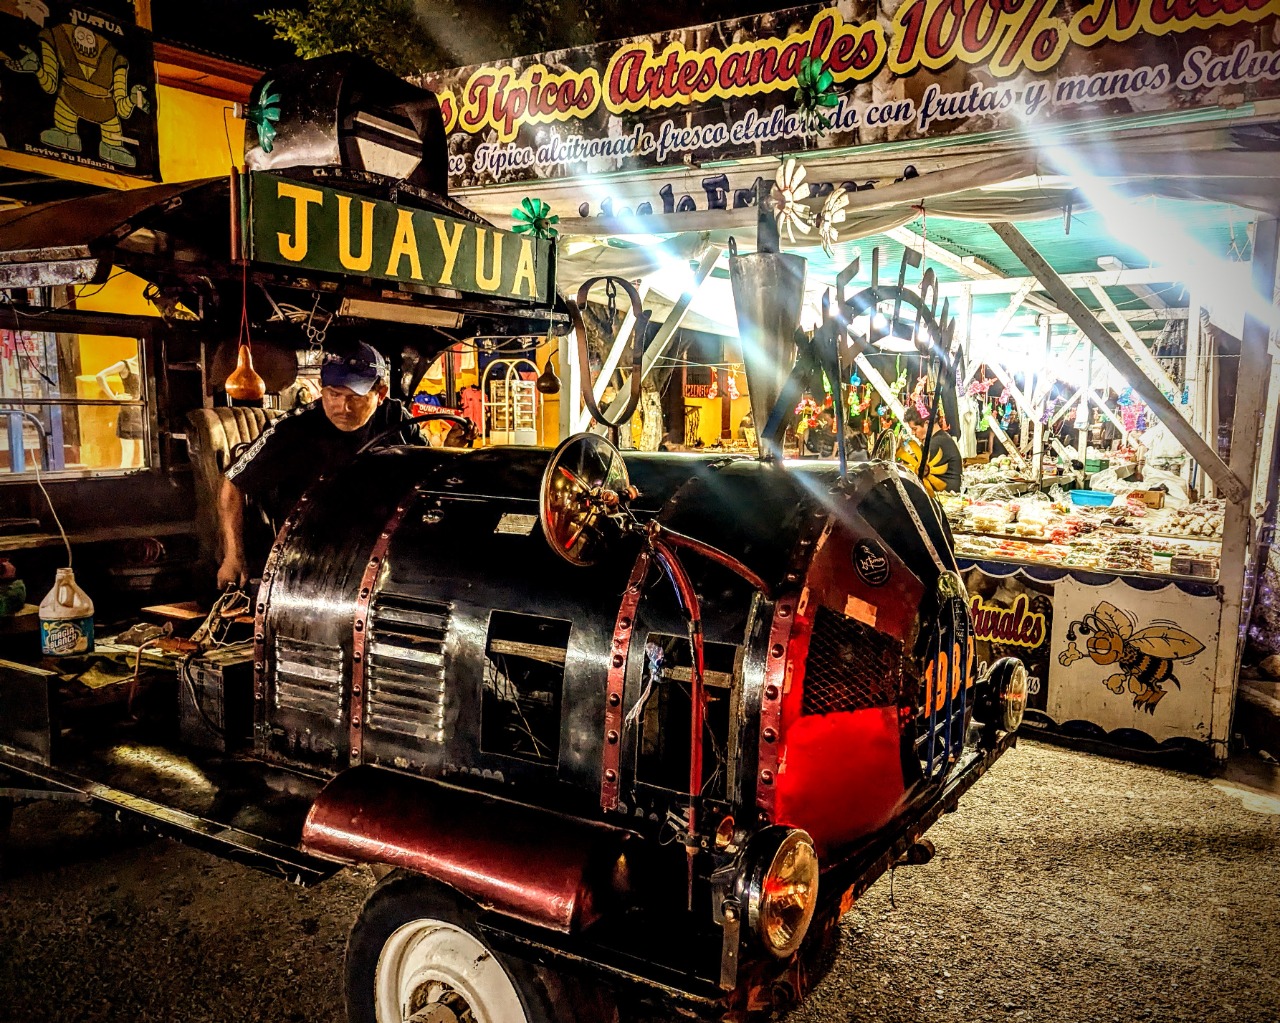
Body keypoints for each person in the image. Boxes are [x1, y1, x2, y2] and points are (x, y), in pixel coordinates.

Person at [216, 342, 423, 587]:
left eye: (355, 397)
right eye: (334, 394)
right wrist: (233, 556)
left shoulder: (397, 419)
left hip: (384, 553)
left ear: (380, 394)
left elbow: (431, 474)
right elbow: (233, 483)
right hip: (308, 560)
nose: (343, 407)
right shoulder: (292, 430)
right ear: (321, 388)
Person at [96, 354, 143, 468]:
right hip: (129, 413)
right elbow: (100, 376)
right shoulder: (125, 365)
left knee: (144, 457)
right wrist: (113, 398)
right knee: (128, 454)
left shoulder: (145, 366)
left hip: (142, 413)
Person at [902, 406, 963, 493]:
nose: (913, 433)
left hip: (947, 494)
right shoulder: (939, 438)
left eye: (914, 429)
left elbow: (916, 470)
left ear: (927, 424)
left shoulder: (937, 442)